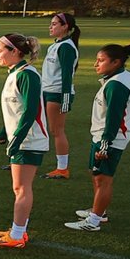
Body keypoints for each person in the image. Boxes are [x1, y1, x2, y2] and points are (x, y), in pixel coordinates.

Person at [65, 44, 130, 232]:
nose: (95, 64)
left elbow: (114, 119)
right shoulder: (120, 77)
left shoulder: (116, 85)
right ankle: (99, 210)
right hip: (104, 136)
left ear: (116, 62)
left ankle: (94, 221)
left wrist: (105, 145)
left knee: (103, 179)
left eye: (101, 60)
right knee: (97, 175)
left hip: (110, 139)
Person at [0, 33, 48, 249]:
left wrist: (17, 139)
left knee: (22, 188)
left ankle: (17, 235)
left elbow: (31, 110)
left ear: (15, 51)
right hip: (22, 139)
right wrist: (3, 132)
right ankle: (18, 231)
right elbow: (16, 110)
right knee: (18, 187)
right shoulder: (14, 73)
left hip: (30, 140)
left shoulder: (27, 75)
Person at [40, 13, 81, 179]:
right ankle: (26, 161)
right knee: (46, 128)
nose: (51, 27)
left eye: (55, 24)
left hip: (57, 93)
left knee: (57, 130)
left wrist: (65, 98)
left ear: (65, 27)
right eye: (51, 23)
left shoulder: (66, 47)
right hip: (47, 90)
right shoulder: (56, 45)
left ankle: (62, 169)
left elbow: (67, 75)